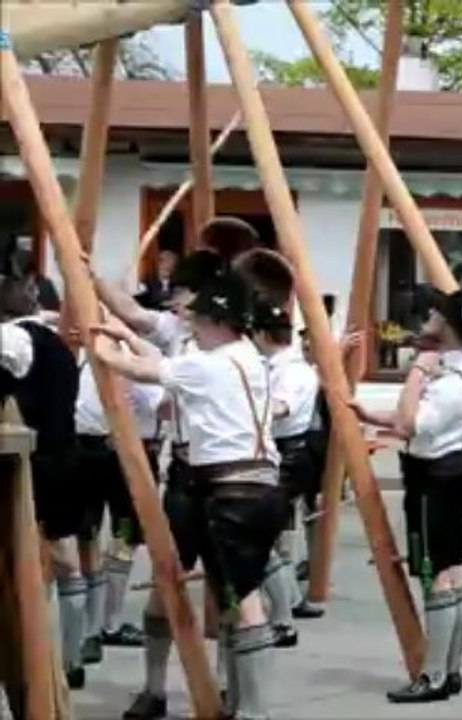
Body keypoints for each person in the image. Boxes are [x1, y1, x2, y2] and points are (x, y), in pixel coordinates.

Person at [94, 262, 288, 720]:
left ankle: (251, 710)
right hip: (231, 481)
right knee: (204, 588)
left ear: (217, 319)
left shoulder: (209, 362)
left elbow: (145, 369)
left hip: (229, 487)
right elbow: (164, 362)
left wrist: (102, 347)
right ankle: (189, 695)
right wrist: (125, 335)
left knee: (240, 598)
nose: (188, 319)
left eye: (197, 314)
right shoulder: (241, 354)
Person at [350, 274, 462, 703]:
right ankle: (449, 671)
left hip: (436, 476)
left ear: (450, 325)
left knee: (436, 571)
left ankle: (434, 675)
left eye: (437, 313)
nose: (429, 316)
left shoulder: (450, 377)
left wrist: (418, 368)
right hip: (453, 469)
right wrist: (372, 415)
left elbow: (409, 424)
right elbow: (415, 418)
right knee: (452, 569)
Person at [0, 278, 81, 687]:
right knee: (64, 556)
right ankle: (73, 656)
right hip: (65, 455)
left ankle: (39, 655)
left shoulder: (11, 339)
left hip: (31, 464)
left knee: (30, 559)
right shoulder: (58, 344)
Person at [247, 261, 327, 646]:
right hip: (275, 453)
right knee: (268, 536)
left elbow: (280, 409)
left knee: (260, 537)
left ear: (263, 334)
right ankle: (289, 601)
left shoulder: (294, 370)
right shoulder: (267, 364)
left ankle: (284, 618)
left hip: (289, 456)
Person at [73, 335, 165, 664]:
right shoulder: (82, 356)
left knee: (122, 536)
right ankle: (94, 627)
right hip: (93, 453)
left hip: (123, 454)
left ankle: (104, 624)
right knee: (90, 535)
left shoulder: (125, 357)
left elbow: (161, 404)